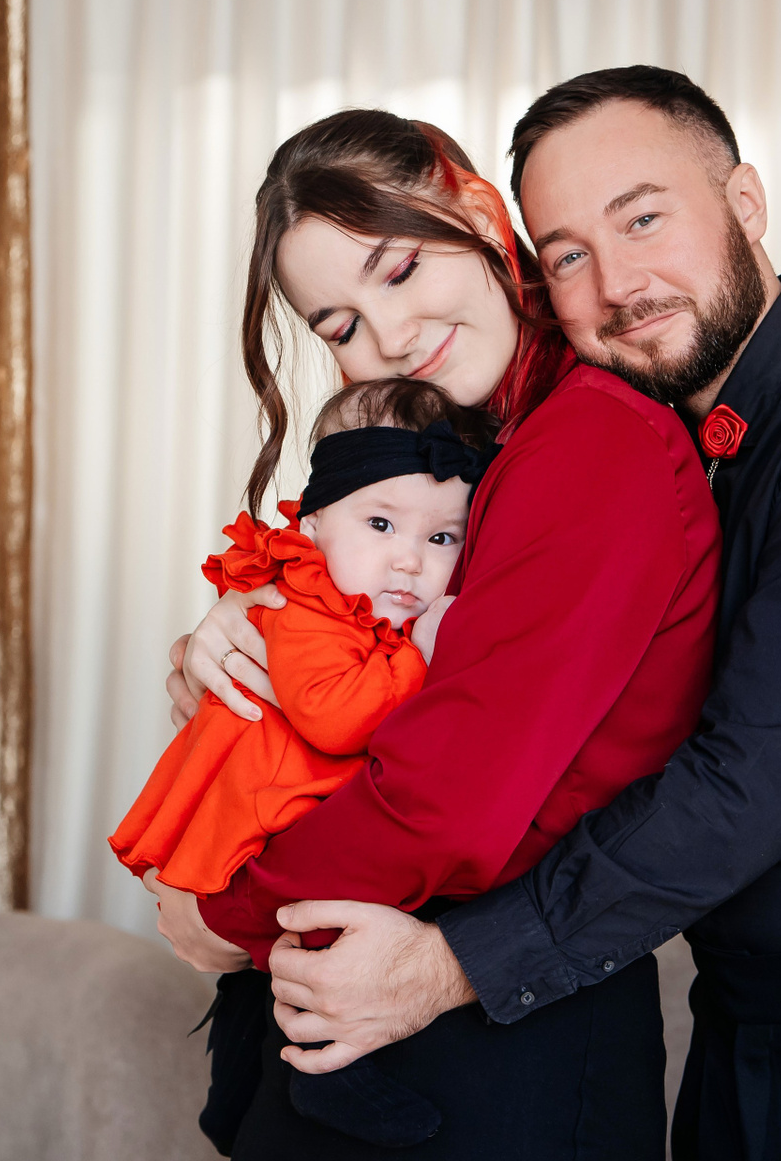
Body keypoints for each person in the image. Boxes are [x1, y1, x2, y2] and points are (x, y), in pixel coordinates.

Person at [173, 68, 781, 1161]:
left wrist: (313, 930)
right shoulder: (609, 419)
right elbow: (422, 641)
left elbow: (737, 786)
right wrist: (255, 628)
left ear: (746, 202)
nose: (616, 283)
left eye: (644, 219)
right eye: (567, 254)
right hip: (743, 1008)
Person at [151, 107, 723, 1159]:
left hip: (494, 1049)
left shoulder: (591, 442)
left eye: (401, 270)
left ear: (476, 208)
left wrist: (225, 909)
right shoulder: (470, 447)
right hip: (377, 1010)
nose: (391, 336)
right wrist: (242, 623)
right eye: (340, 325)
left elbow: (445, 802)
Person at [110, 379, 498, 1151]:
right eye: (381, 524)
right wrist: (421, 658)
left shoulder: (357, 606)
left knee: (276, 975)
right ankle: (334, 1081)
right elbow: (336, 716)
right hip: (260, 817)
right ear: (314, 523)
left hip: (286, 811)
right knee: (317, 948)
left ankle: (241, 1094)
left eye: (442, 539)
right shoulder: (303, 607)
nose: (409, 561)